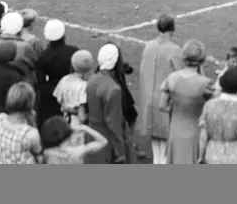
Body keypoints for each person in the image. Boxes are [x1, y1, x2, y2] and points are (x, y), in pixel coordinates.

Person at [136, 14, 183, 165]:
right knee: (165, 148)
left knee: (156, 146)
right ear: (172, 29)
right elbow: (181, 76)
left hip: (149, 100)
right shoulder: (175, 50)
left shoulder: (149, 45)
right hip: (165, 102)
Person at [160, 40, 212, 164]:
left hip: (175, 132)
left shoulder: (171, 78)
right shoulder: (206, 84)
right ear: (201, 60)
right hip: (196, 134)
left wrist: (177, 109)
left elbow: (162, 106)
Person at [198, 69, 237, 164]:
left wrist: (200, 156)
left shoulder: (209, 106)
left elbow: (203, 135)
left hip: (212, 153)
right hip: (236, 156)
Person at [84, 44, 127, 164]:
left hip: (91, 135)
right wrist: (120, 150)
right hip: (105, 140)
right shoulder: (114, 88)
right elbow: (113, 123)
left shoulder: (92, 79)